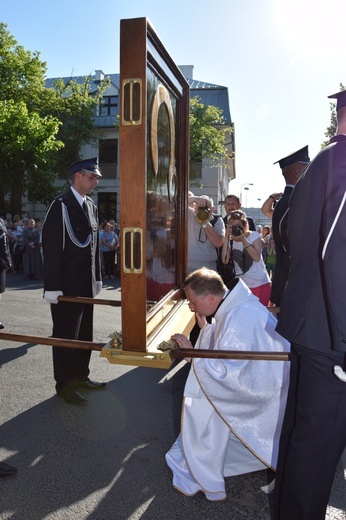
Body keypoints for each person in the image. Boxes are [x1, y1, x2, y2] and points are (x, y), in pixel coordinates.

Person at [273, 92, 346, 520]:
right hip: (332, 335)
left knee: (301, 442)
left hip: (312, 327)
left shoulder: (323, 162)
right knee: (315, 453)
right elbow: (338, 256)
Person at [165, 268, 290, 501]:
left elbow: (229, 376)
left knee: (205, 402)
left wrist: (194, 356)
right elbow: (229, 353)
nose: (191, 307)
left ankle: (205, 460)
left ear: (210, 298)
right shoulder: (235, 306)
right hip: (269, 384)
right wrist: (205, 331)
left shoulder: (240, 316)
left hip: (267, 393)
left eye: (193, 302)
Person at [42, 157, 106, 406]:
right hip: (66, 285)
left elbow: (95, 246)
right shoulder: (60, 205)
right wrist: (52, 286)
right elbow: (52, 248)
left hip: (85, 283)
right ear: (77, 176)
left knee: (84, 335)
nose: (96, 181)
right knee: (65, 335)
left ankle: (80, 376)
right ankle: (65, 385)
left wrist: (97, 277)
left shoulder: (90, 205)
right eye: (92, 176)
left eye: (97, 177)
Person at [265, 146, 310, 308]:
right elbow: (298, 248)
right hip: (294, 285)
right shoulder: (295, 202)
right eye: (307, 167)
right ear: (297, 173)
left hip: (286, 282)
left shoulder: (286, 201)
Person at [221, 210, 271, 306]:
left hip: (260, 284)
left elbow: (256, 257)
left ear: (244, 226)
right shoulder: (231, 241)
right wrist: (227, 237)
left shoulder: (254, 236)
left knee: (260, 315)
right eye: (233, 227)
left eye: (238, 226)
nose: (236, 229)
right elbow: (225, 260)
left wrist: (243, 240)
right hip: (242, 287)